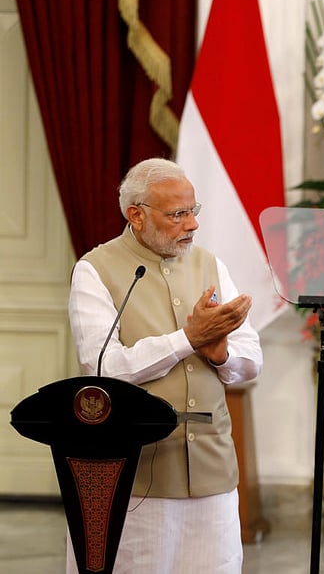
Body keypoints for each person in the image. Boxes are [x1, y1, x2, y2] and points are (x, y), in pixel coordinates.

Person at [65, 157, 262, 573]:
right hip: (137, 477)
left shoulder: (210, 264)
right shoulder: (95, 269)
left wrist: (221, 355)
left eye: (194, 210)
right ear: (136, 215)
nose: (192, 224)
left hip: (213, 470)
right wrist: (187, 339)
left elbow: (251, 360)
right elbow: (104, 369)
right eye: (178, 214)